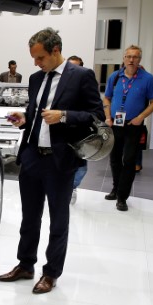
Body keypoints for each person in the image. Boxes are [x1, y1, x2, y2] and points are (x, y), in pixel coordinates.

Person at [0, 28, 103, 295]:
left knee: (58, 219)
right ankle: (25, 264)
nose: (36, 63)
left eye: (40, 57)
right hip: (33, 155)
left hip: (60, 159)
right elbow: (35, 113)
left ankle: (51, 273)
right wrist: (24, 119)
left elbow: (95, 116)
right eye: (34, 58)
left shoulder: (81, 76)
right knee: (29, 217)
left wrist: (64, 115)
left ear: (55, 51)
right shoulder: (35, 79)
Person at [102, 45, 153, 211]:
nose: (131, 60)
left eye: (135, 57)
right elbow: (106, 99)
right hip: (115, 123)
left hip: (134, 126)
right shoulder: (115, 77)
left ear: (139, 59)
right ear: (124, 59)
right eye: (128, 56)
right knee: (114, 159)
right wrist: (107, 117)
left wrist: (140, 117)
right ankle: (115, 188)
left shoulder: (148, 78)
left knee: (129, 160)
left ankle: (122, 197)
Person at [67, 55, 87, 205]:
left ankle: (72, 187)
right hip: (62, 133)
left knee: (81, 167)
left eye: (76, 67)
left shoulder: (86, 86)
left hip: (81, 133)